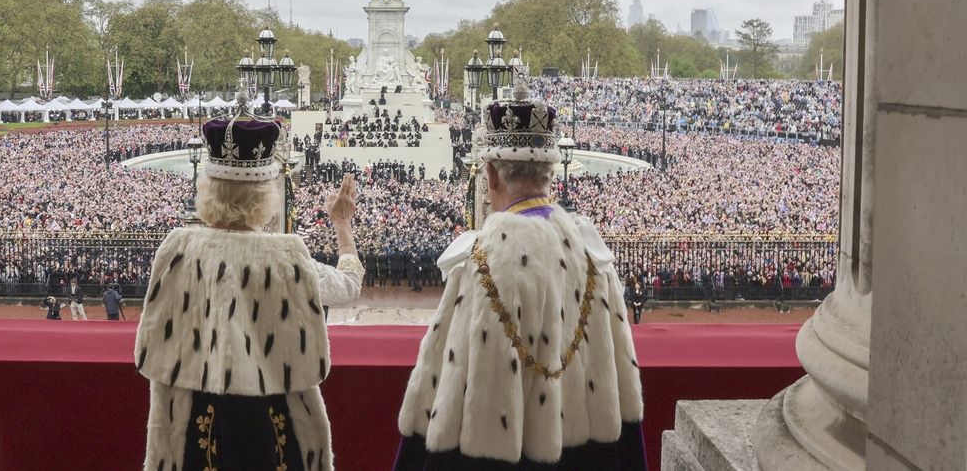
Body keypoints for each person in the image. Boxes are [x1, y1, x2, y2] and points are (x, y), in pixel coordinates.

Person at [394, 80, 646, 469]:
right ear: (550, 174)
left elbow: (453, 391)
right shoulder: (594, 254)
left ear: (491, 176)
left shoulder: (482, 260)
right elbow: (624, 392)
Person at [134, 93, 364, 471]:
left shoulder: (176, 248)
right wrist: (342, 227)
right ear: (265, 194)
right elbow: (349, 286)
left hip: (191, 424)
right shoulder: (287, 256)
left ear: (207, 190)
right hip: (273, 424)